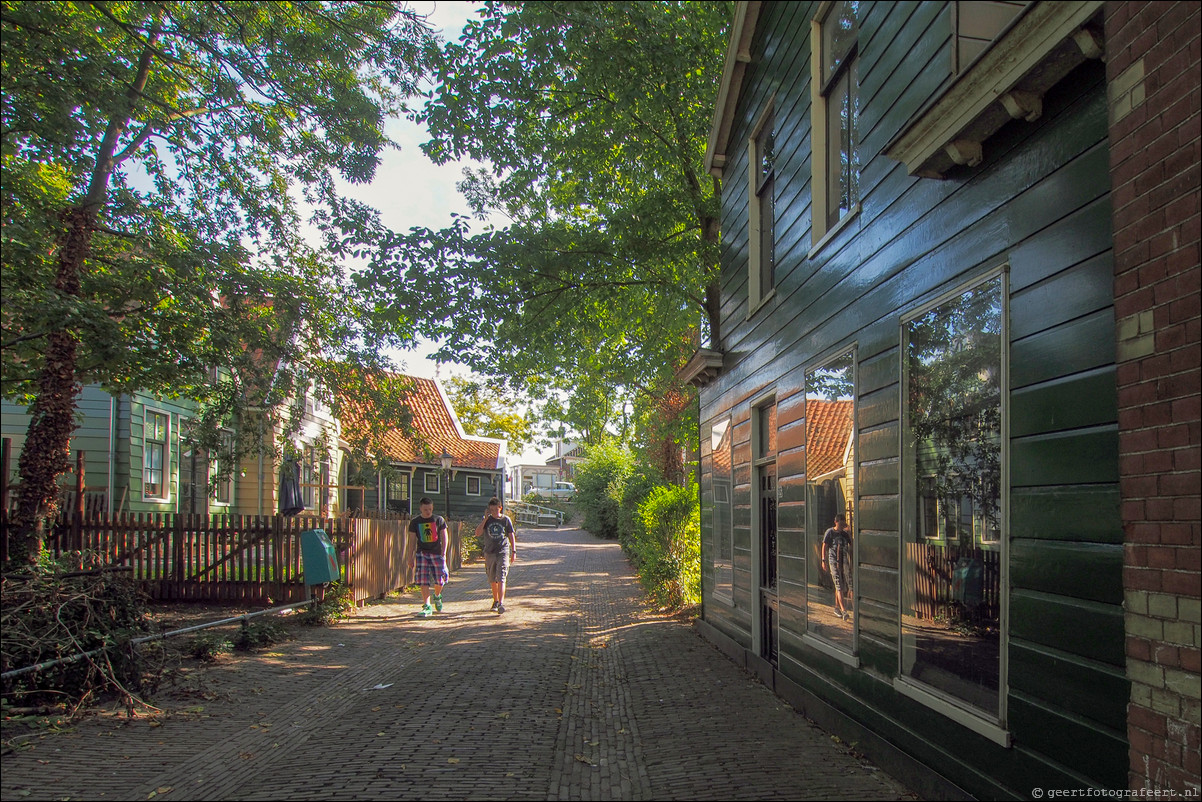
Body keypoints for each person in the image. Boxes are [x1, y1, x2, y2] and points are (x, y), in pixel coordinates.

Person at [408, 497, 449, 617]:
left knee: (440, 579)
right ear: (421, 508)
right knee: (423, 579)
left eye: (430, 509)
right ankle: (427, 605)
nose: (428, 512)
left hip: (437, 553)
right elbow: (411, 540)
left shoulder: (438, 520)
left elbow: (444, 536)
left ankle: (437, 596)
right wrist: (410, 557)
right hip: (422, 553)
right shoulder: (415, 522)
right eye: (425, 509)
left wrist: (444, 553)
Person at [475, 496, 516, 614]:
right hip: (489, 553)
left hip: (502, 551)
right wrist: (484, 519)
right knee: (492, 578)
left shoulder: (505, 520)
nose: (493, 512)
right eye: (491, 510)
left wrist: (514, 551)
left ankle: (501, 603)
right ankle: (496, 600)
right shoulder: (487, 521)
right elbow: (477, 533)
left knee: (501, 577)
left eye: (495, 510)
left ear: (500, 508)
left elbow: (511, 535)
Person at [821, 513, 853, 621]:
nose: (841, 526)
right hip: (833, 561)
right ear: (836, 522)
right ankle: (844, 611)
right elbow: (824, 545)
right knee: (839, 584)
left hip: (843, 562)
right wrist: (823, 560)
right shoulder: (830, 532)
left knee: (840, 584)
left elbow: (851, 544)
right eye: (840, 524)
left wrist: (848, 532)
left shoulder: (844, 534)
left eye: (843, 524)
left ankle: (837, 607)